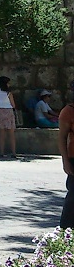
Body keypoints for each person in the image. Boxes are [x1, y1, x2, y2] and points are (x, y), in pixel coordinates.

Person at [59, 81, 74, 229]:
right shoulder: (68, 111)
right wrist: (65, 160)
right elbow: (62, 137)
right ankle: (65, 232)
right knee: (73, 197)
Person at [0, 76, 18, 158]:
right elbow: (13, 104)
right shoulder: (8, 93)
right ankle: (13, 152)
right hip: (8, 111)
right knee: (11, 134)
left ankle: (1, 152)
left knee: (1, 134)